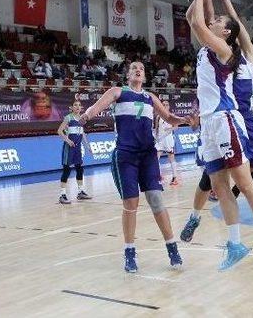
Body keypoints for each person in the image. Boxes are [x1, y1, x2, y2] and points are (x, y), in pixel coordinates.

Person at [185, 0, 253, 271]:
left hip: (228, 119)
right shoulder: (207, 46)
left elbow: (202, 26)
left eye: (218, 21)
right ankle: (235, 243)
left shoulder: (225, 51)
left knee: (245, 181)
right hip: (209, 124)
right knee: (218, 187)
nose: (211, 21)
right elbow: (193, 19)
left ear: (225, 32)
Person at [80, 61, 186, 273]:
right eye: (134, 68)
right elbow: (97, 106)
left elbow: (168, 117)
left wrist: (185, 119)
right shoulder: (118, 92)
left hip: (147, 154)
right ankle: (129, 252)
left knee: (156, 199)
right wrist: (86, 115)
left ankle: (172, 247)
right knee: (131, 203)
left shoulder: (150, 97)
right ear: (128, 75)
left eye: (142, 69)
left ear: (145, 77)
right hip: (126, 154)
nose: (138, 70)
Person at [57, 100, 93, 204]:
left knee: (80, 169)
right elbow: (59, 131)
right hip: (69, 148)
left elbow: (83, 134)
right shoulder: (68, 118)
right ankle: (62, 195)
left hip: (77, 148)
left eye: (79, 105)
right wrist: (68, 140)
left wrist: (87, 146)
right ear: (72, 107)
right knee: (66, 170)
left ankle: (80, 192)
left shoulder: (82, 119)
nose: (77, 107)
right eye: (75, 105)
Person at [154, 100, 180, 186]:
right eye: (163, 104)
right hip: (160, 139)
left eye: (166, 105)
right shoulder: (158, 117)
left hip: (168, 139)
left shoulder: (171, 116)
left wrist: (168, 130)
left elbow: (176, 127)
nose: (165, 106)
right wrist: (156, 137)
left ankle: (175, 177)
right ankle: (159, 176)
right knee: (155, 158)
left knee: (171, 158)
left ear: (169, 106)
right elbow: (156, 128)